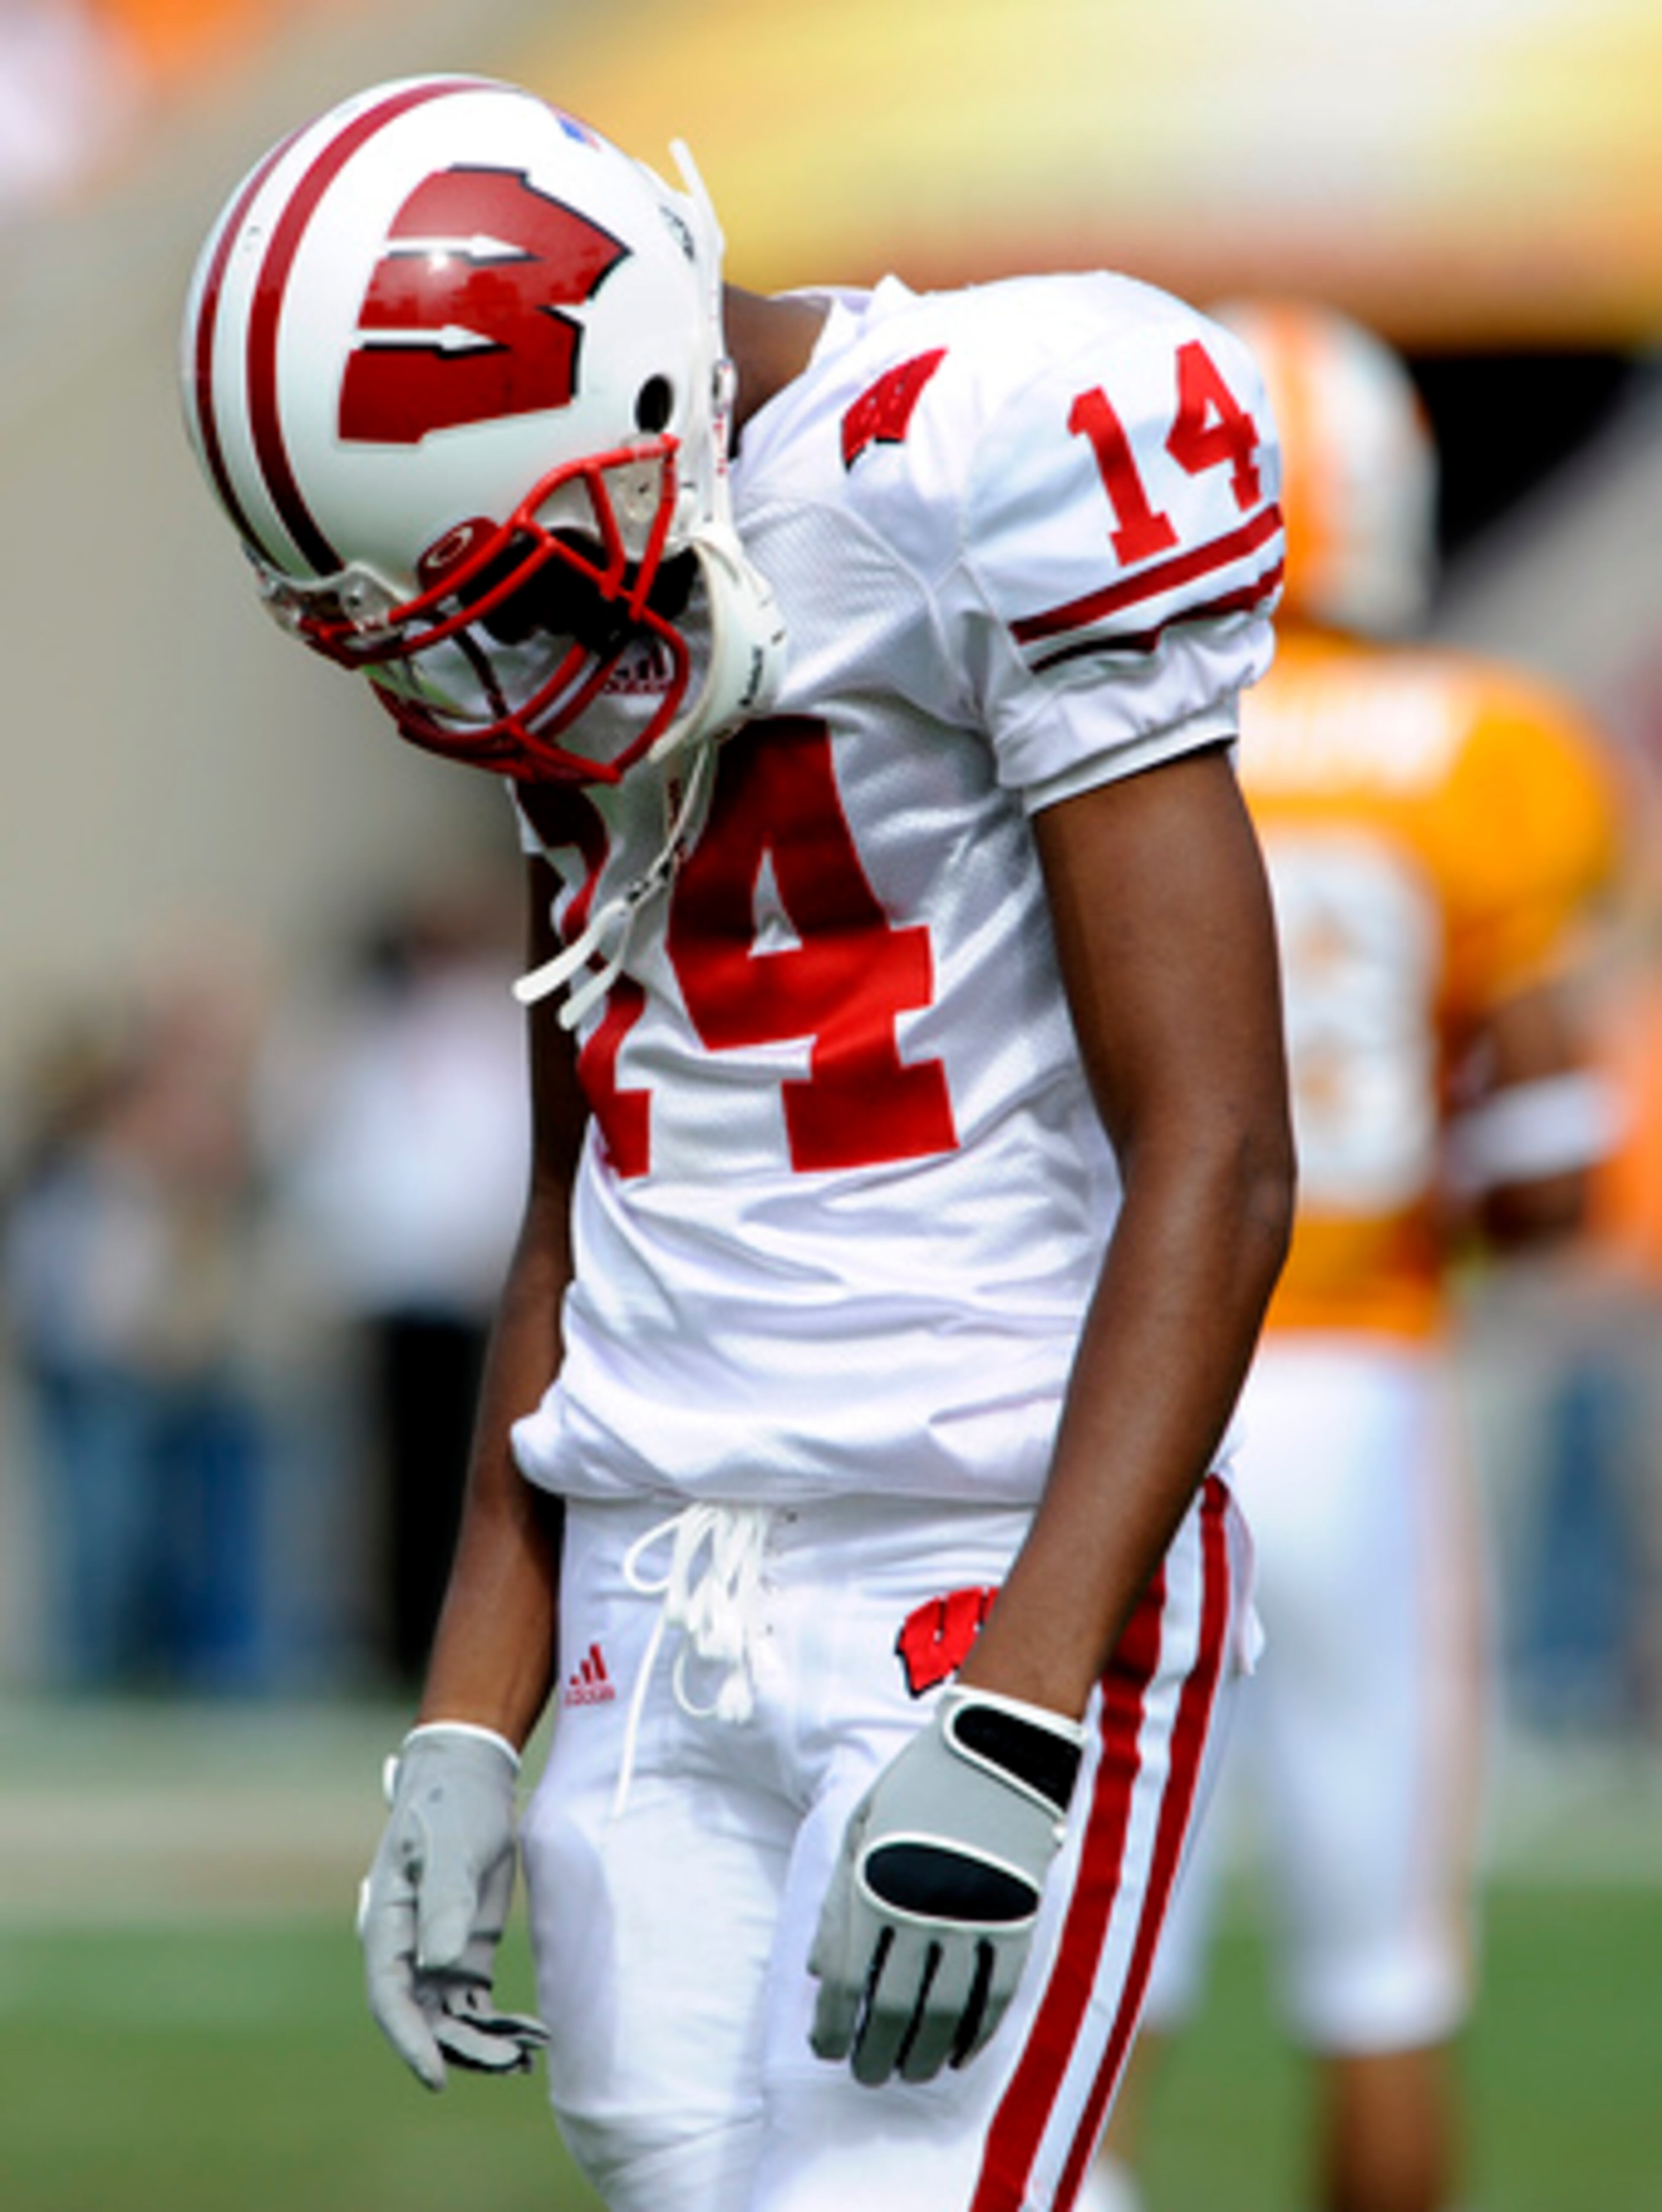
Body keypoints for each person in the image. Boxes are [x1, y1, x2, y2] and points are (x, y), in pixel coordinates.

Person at [180, 75, 1295, 2212]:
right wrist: (466, 1717)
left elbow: (1221, 1149)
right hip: (650, 1583)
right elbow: (575, 1205)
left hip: (975, 1542)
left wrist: (1027, 1698)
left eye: (508, 588)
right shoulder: (591, 581)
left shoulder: (979, 452)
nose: (489, 669)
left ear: (638, 388)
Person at [1086, 301, 1621, 2212]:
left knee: (1092, 1975)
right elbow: (1549, 1174)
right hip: (1366, 1392)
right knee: (1383, 1966)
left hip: (1123, 1389)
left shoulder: (1087, 735)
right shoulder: (1484, 751)